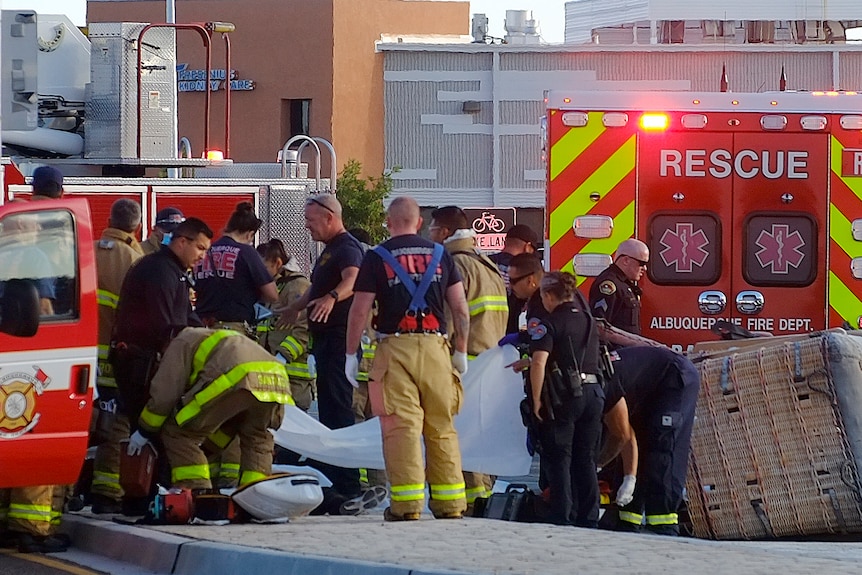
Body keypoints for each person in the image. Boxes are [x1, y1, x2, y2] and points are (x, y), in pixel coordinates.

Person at [346, 196, 470, 521]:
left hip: (394, 350)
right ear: (418, 223)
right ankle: (451, 504)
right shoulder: (442, 255)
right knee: (442, 426)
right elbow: (459, 307)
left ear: (389, 222)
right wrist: (460, 350)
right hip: (437, 350)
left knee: (401, 428)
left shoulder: (376, 257)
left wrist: (350, 354)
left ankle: (407, 506)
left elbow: (360, 310)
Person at [111, 217, 213, 513]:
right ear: (182, 241)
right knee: (150, 431)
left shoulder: (173, 271)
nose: (202, 256)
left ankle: (149, 498)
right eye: (200, 249)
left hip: (146, 361)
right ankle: (142, 499)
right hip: (140, 363)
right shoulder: (159, 272)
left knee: (151, 433)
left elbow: (184, 320)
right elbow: (166, 326)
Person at [128, 328, 293, 491]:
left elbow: (166, 394)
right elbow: (226, 422)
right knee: (257, 437)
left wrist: (145, 430)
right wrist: (208, 450)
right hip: (276, 379)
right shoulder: (213, 336)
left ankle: (196, 493)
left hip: (238, 377)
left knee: (180, 433)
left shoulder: (181, 340)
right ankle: (258, 497)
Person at [0, 166, 69, 553]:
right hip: (41, 355)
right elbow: (45, 310)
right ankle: (30, 528)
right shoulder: (43, 250)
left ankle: (10, 520)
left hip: (9, 352)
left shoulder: (9, 241)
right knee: (40, 437)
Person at [279, 194, 364, 505]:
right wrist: (296, 308)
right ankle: (330, 469)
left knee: (340, 410)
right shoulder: (329, 251)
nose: (307, 226)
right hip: (325, 342)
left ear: (330, 217)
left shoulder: (347, 248)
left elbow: (352, 280)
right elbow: (315, 289)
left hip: (340, 340)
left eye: (312, 221)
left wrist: (332, 298)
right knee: (328, 410)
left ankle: (349, 484)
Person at [428, 206, 508, 509]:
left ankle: (471, 501)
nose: (430, 234)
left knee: (460, 438)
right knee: (481, 435)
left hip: (464, 365)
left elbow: (447, 319)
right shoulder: (485, 263)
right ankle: (483, 497)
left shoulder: (454, 265)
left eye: (433, 229)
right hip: (489, 365)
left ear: (445, 232)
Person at [527, 271, 605, 527]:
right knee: (586, 457)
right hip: (594, 393)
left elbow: (540, 362)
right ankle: (589, 516)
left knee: (559, 456)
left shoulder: (548, 323)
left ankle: (562, 514)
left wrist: (536, 400)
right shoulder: (588, 319)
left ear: (549, 295)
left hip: (565, 397)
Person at [605, 346, 699, 536]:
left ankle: (664, 521)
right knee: (642, 437)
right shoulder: (596, 383)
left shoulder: (605, 387)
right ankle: (629, 518)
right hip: (649, 387)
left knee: (662, 446)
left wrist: (627, 478)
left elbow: (624, 435)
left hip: (675, 377)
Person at [89, 199, 145, 514]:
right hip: (113, 356)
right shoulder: (135, 260)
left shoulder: (85, 250)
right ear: (136, 227)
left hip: (77, 355)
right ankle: (106, 493)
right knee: (115, 423)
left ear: (109, 218)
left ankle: (66, 491)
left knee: (79, 422)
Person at [193, 202, 278, 332]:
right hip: (232, 329)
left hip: (200, 327)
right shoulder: (246, 252)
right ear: (250, 234)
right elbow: (272, 295)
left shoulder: (204, 252)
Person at [256, 239, 315, 411]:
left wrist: (283, 356)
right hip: (268, 374)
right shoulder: (269, 287)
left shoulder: (299, 286)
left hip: (293, 379)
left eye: (263, 268)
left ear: (278, 263)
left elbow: (304, 329)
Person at [589, 238, 649, 335]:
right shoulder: (609, 285)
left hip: (627, 349)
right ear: (626, 260)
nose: (645, 268)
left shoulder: (624, 285)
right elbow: (600, 327)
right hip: (616, 349)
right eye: (642, 263)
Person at [489, 224, 539, 334]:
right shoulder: (525, 269)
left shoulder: (486, 263)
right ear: (527, 247)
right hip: (508, 332)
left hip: (482, 333)